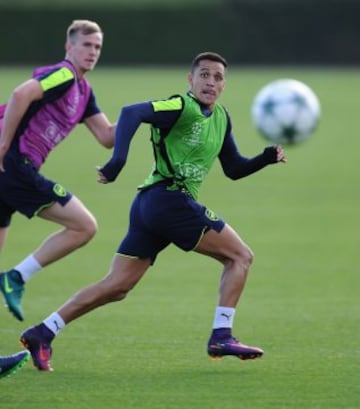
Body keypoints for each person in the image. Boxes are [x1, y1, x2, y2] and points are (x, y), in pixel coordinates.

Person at [20, 51, 287, 371]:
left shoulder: (221, 118)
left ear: (224, 85)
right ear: (191, 79)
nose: (210, 82)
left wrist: (264, 159)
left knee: (117, 286)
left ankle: (43, 331)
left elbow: (233, 167)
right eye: (204, 75)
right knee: (240, 257)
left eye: (217, 77)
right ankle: (222, 335)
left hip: (151, 206)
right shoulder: (179, 106)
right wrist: (118, 161)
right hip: (168, 200)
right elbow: (132, 112)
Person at [0, 20, 115, 322]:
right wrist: (3, 144)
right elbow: (21, 94)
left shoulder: (83, 91)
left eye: (98, 47)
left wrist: (143, 116)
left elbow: (106, 136)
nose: (93, 52)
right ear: (69, 47)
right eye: (86, 45)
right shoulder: (63, 74)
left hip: (10, 171)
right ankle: (16, 276)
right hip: (13, 164)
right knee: (84, 226)